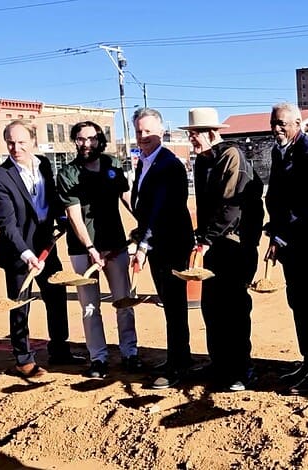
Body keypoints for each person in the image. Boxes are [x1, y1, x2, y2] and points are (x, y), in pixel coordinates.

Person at [0, 120, 85, 379]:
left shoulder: (43, 164)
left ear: (33, 140)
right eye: (10, 142)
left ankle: (60, 350)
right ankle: (23, 360)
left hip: (46, 246)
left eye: (21, 142)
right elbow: (6, 223)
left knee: (56, 299)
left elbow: (50, 199)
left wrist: (61, 219)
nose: (15, 148)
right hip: (18, 252)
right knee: (20, 304)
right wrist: (26, 254)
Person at [180, 108, 264, 392]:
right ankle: (219, 362)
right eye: (191, 133)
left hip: (235, 245)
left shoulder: (231, 155)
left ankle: (242, 368)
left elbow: (232, 206)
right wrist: (203, 238)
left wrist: (205, 239)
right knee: (212, 306)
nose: (192, 138)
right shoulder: (202, 162)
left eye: (196, 133)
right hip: (213, 245)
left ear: (212, 132)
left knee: (234, 308)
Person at [56, 121, 142, 379]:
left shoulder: (112, 165)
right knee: (89, 306)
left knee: (123, 302)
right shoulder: (68, 174)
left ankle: (130, 352)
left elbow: (126, 197)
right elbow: (74, 216)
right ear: (75, 141)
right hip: (83, 250)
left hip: (115, 245)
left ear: (99, 140)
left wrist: (145, 224)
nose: (87, 144)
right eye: (81, 139)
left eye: (92, 138)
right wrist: (91, 247)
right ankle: (98, 358)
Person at [264, 102, 308, 395]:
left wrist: (280, 236)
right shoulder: (279, 151)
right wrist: (275, 232)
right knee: (296, 300)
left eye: (282, 123)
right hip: (288, 240)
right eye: (274, 123)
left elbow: (304, 202)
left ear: (298, 123)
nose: (276, 128)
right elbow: (275, 195)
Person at [130, 108, 195, 389]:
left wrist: (143, 244)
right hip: (157, 242)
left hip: (171, 243)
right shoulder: (144, 162)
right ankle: (179, 357)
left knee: (175, 305)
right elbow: (144, 206)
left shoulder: (169, 164)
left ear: (161, 131)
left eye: (148, 131)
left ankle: (178, 365)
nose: (143, 136)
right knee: (169, 303)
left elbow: (161, 210)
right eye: (139, 131)